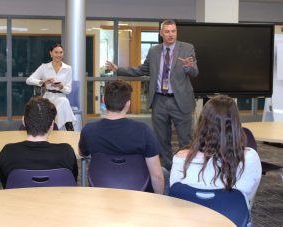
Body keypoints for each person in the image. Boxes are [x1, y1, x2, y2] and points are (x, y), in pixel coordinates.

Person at [106, 19, 199, 170]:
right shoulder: (154, 51)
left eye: (173, 31)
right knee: (162, 140)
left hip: (180, 100)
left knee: (186, 140)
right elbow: (141, 70)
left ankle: (186, 171)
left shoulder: (187, 48)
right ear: (161, 33)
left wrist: (189, 67)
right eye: (167, 31)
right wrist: (119, 69)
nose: (171, 35)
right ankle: (167, 171)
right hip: (159, 101)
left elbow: (195, 72)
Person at [170, 95, 262, 208]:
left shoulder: (181, 159)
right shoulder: (250, 159)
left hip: (188, 220)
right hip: (232, 221)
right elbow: (247, 199)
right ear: (236, 125)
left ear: (201, 124)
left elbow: (176, 197)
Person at [79, 79, 164, 194]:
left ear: (103, 100)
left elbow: (81, 153)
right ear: (128, 103)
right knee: (164, 173)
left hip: (101, 191)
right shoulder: (144, 131)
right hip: (140, 194)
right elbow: (157, 176)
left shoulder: (89, 130)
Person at [0, 97, 78, 188]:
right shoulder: (66, 152)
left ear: (24, 121)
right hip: (57, 201)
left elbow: (5, 185)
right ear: (52, 125)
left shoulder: (8, 152)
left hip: (18, 201)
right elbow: (72, 182)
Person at [26, 43, 76, 131]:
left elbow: (68, 90)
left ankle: (56, 129)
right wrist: (42, 82)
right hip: (48, 96)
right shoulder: (44, 67)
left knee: (64, 102)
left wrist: (61, 87)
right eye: (56, 52)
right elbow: (29, 80)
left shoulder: (68, 68)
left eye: (61, 52)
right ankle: (69, 129)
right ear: (51, 53)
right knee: (63, 104)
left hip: (61, 96)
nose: (59, 55)